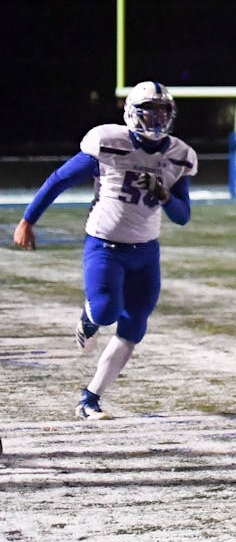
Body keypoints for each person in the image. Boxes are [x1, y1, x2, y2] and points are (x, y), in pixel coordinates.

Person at [11, 82, 197, 419]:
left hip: (145, 252)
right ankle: (89, 317)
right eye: (148, 111)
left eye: (161, 111)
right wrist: (28, 219)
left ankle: (90, 398)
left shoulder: (179, 155)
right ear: (131, 112)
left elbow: (182, 217)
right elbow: (60, 179)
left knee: (134, 326)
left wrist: (165, 195)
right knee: (107, 310)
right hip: (105, 246)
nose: (156, 118)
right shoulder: (110, 143)